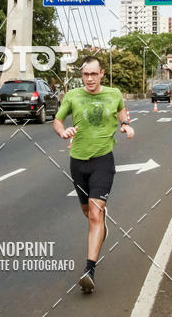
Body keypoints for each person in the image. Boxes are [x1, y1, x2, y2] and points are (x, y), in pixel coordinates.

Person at [53, 56, 134, 293]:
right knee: (87, 212)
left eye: (93, 74)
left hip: (103, 161)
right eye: (85, 74)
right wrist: (62, 131)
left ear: (101, 74)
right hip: (78, 162)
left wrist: (125, 124)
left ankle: (89, 270)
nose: (89, 79)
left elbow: (121, 112)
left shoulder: (114, 94)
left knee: (94, 215)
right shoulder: (72, 96)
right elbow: (57, 120)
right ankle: (101, 224)